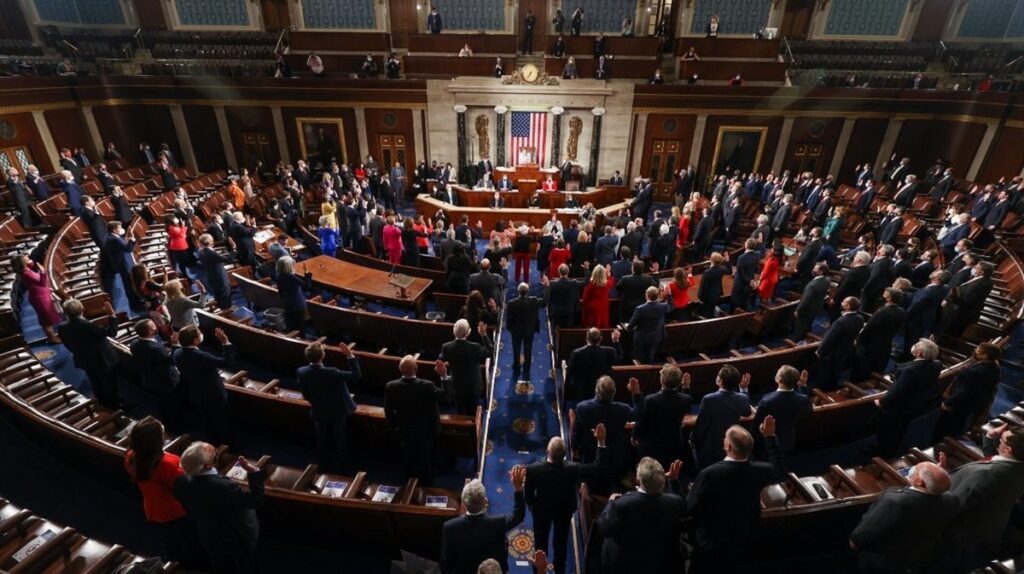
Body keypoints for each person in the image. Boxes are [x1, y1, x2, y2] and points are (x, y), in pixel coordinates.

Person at [686, 417, 785, 573]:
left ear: (728, 446)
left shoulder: (709, 474)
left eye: (725, 438)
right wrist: (770, 437)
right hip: (746, 534)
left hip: (713, 541)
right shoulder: (760, 470)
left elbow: (691, 507)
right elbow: (779, 471)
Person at [849, 461, 959, 574]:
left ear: (919, 481)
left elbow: (864, 535)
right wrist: (937, 479)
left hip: (884, 561)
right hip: (918, 556)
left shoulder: (894, 502)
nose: (912, 470)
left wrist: (855, 542)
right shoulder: (952, 499)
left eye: (915, 470)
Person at [943, 423, 1024, 570]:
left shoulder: (985, 475)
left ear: (1008, 449)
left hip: (959, 538)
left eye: (1002, 439)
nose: (999, 438)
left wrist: (938, 482)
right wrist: (989, 438)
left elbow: (955, 505)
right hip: (988, 530)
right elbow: (999, 462)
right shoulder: (1018, 468)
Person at [174, 442, 265, 574]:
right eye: (214, 454)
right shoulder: (224, 488)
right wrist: (253, 472)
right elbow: (256, 500)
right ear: (208, 465)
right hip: (238, 539)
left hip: (210, 537)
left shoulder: (181, 483)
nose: (216, 453)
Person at [527, 426, 607, 574]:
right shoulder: (573, 468)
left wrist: (533, 506)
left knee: (540, 547)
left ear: (547, 451)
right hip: (563, 511)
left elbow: (528, 495)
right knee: (560, 547)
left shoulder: (533, 469)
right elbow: (597, 468)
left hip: (541, 512)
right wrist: (601, 442)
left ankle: (538, 570)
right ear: (564, 455)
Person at [125, 417, 199, 566]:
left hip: (153, 509)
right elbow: (187, 488)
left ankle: (174, 564)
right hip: (176, 511)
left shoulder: (131, 458)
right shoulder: (168, 465)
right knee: (190, 544)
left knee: (171, 542)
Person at [598, 455, 686, 574]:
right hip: (661, 564)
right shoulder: (674, 502)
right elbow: (682, 505)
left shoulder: (621, 504)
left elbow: (604, 528)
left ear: (638, 480)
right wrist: (674, 480)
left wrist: (610, 502)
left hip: (625, 566)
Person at [441, 467, 526, 574]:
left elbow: (446, 562)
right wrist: (518, 489)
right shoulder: (498, 522)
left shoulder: (449, 527)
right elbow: (518, 516)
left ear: (463, 504)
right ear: (485, 502)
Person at [385, 355, 449, 484]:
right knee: (425, 459)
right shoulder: (427, 386)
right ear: (416, 368)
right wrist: (444, 376)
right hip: (426, 431)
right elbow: (447, 398)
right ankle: (427, 484)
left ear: (399, 369)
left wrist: (395, 428)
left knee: (409, 458)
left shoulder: (390, 386)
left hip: (404, 430)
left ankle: (409, 484)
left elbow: (388, 411)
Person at [297, 341, 359, 470]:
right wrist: (350, 355)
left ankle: (323, 465)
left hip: (318, 410)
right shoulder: (332, 372)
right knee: (340, 437)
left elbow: (306, 394)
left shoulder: (301, 371)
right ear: (322, 355)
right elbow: (356, 375)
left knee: (321, 439)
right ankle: (343, 464)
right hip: (337, 411)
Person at [876, 338, 942, 457]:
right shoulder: (937, 364)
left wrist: (882, 402)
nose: (914, 346)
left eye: (916, 345)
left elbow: (897, 392)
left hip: (898, 408)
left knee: (888, 431)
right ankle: (892, 449)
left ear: (919, 353)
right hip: (915, 404)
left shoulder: (910, 371)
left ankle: (883, 454)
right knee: (901, 429)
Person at [173, 326, 236, 445]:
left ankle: (212, 442)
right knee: (221, 421)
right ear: (195, 340)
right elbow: (227, 362)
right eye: (199, 333)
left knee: (206, 420)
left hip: (195, 393)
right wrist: (225, 343)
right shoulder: (202, 356)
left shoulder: (176, 353)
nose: (201, 334)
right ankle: (227, 446)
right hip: (214, 395)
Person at [932, 342, 1000, 442]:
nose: (975, 351)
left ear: (985, 355)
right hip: (973, 405)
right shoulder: (995, 368)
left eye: (978, 350)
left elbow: (964, 391)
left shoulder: (975, 372)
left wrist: (948, 403)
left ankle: (936, 444)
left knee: (942, 428)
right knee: (958, 426)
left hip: (957, 405)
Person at [59, 299, 120, 408]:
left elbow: (67, 344)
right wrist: (112, 315)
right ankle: (115, 406)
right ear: (82, 309)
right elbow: (112, 332)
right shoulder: (87, 325)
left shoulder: (62, 327)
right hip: (101, 360)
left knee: (95, 381)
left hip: (84, 359)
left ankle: (102, 401)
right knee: (109, 383)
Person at [572, 376, 635, 482]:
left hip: (590, 454)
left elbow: (577, 432)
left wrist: (574, 447)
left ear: (596, 390)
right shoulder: (624, 409)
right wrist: (636, 394)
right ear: (614, 392)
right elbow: (640, 416)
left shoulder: (582, 407)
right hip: (615, 456)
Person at [691, 365, 752, 468]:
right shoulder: (743, 398)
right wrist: (744, 389)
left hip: (710, 447)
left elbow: (701, 425)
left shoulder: (708, 399)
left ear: (720, 381)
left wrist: (692, 439)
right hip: (731, 444)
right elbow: (747, 412)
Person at [634, 365, 693, 469]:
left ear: (661, 380)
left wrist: (634, 436)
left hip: (652, 446)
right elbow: (684, 408)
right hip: (674, 444)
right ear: (679, 382)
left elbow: (642, 422)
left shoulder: (650, 400)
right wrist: (686, 388)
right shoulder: (686, 399)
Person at [130, 320, 182, 428]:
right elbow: (172, 360)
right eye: (153, 326)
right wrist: (175, 345)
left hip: (149, 378)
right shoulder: (155, 349)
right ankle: (175, 425)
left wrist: (166, 344)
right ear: (149, 332)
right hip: (165, 381)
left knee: (162, 401)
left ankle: (167, 418)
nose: (156, 327)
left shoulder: (134, 344)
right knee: (171, 403)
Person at [852, 287, 906, 381]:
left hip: (870, 344)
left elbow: (869, 328)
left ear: (889, 298)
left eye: (886, 292)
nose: (884, 292)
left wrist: (858, 340)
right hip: (885, 342)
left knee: (861, 367)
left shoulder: (882, 312)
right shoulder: (901, 311)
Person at [753, 366, 811, 454]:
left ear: (779, 379)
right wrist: (802, 387)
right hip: (790, 440)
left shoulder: (767, 400)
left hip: (769, 444)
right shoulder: (803, 399)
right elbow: (807, 409)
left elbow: (756, 425)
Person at [440, 319, 493, 415]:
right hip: (473, 386)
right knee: (473, 411)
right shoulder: (475, 347)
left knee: (459, 410)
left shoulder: (446, 347)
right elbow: (490, 351)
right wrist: (483, 335)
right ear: (467, 333)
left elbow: (441, 360)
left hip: (457, 386)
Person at [815, 296, 864, 390]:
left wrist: (820, 351)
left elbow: (829, 338)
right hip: (846, 351)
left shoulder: (840, 322)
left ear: (848, 306)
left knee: (824, 375)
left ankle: (820, 391)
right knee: (835, 373)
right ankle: (832, 388)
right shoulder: (860, 318)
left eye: (844, 301)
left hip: (832, 354)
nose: (841, 302)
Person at [13, 255, 61, 343]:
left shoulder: (27, 271)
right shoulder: (26, 273)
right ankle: (52, 338)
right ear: (24, 263)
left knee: (47, 318)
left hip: (42, 295)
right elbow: (42, 282)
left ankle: (51, 336)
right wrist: (43, 271)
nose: (31, 260)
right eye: (28, 260)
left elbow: (37, 283)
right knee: (46, 319)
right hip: (40, 299)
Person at [565, 327, 621, 402]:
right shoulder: (610, 351)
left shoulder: (577, 353)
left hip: (583, 390)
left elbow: (570, 372)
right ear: (601, 339)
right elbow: (619, 359)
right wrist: (616, 341)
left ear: (586, 338)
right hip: (603, 388)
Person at [942, 261, 994, 337]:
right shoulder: (986, 280)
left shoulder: (979, 284)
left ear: (981, 272)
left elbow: (965, 301)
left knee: (948, 333)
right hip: (962, 311)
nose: (974, 268)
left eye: (976, 268)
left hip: (959, 314)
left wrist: (952, 295)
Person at [506, 282, 545, 375]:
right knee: (528, 348)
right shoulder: (534, 300)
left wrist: (509, 328)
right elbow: (544, 302)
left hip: (516, 330)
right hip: (529, 329)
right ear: (528, 291)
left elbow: (509, 318)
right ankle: (527, 367)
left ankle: (516, 365)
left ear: (518, 291)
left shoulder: (511, 303)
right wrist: (547, 288)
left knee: (516, 349)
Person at [627, 286, 670, 365]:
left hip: (641, 338)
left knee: (639, 358)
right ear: (657, 296)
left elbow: (631, 326)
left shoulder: (640, 309)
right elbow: (671, 306)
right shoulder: (663, 306)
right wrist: (669, 295)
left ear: (646, 295)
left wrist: (629, 328)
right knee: (650, 357)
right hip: (655, 337)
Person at [196, 234, 235, 309]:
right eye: (211, 240)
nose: (213, 241)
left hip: (211, 276)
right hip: (219, 277)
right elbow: (229, 259)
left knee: (218, 295)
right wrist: (233, 248)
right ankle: (227, 311)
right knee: (224, 294)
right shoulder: (210, 253)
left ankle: (222, 307)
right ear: (208, 242)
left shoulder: (201, 251)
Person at [275, 256, 312, 331]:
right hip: (298, 305)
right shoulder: (291, 277)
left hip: (287, 304)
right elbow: (307, 287)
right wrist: (307, 274)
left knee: (291, 325)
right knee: (300, 326)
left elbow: (280, 292)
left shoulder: (279, 277)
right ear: (289, 267)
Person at [696, 252, 730, 317]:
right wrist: (727, 261)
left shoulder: (707, 273)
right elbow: (729, 271)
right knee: (711, 309)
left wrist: (700, 298)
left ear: (711, 260)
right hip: (717, 293)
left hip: (707, 297)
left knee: (705, 312)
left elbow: (704, 287)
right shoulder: (722, 269)